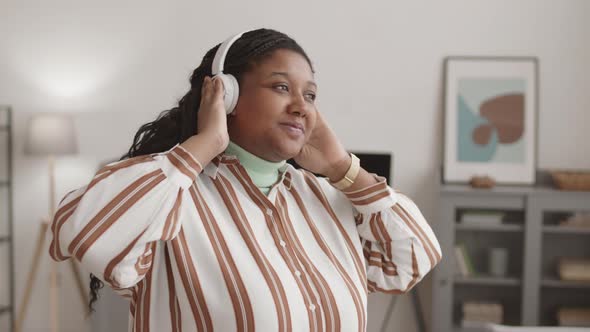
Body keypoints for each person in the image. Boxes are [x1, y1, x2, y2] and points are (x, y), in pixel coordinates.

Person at [49, 28, 442, 332]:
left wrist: (343, 167)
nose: (301, 107)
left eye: (310, 95)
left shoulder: (326, 197)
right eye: (282, 87)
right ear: (228, 96)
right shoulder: (175, 197)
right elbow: (83, 231)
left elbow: (411, 261)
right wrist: (204, 144)